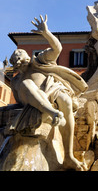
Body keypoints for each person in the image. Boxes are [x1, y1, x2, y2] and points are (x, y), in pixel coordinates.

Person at [9, 15, 88, 170]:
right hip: (35, 102)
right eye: (17, 62)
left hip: (51, 91)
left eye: (22, 59)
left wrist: (46, 33)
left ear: (27, 58)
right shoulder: (16, 81)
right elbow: (18, 101)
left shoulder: (39, 61)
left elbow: (57, 48)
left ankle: (69, 156)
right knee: (26, 83)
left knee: (65, 100)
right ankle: (52, 112)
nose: (21, 63)